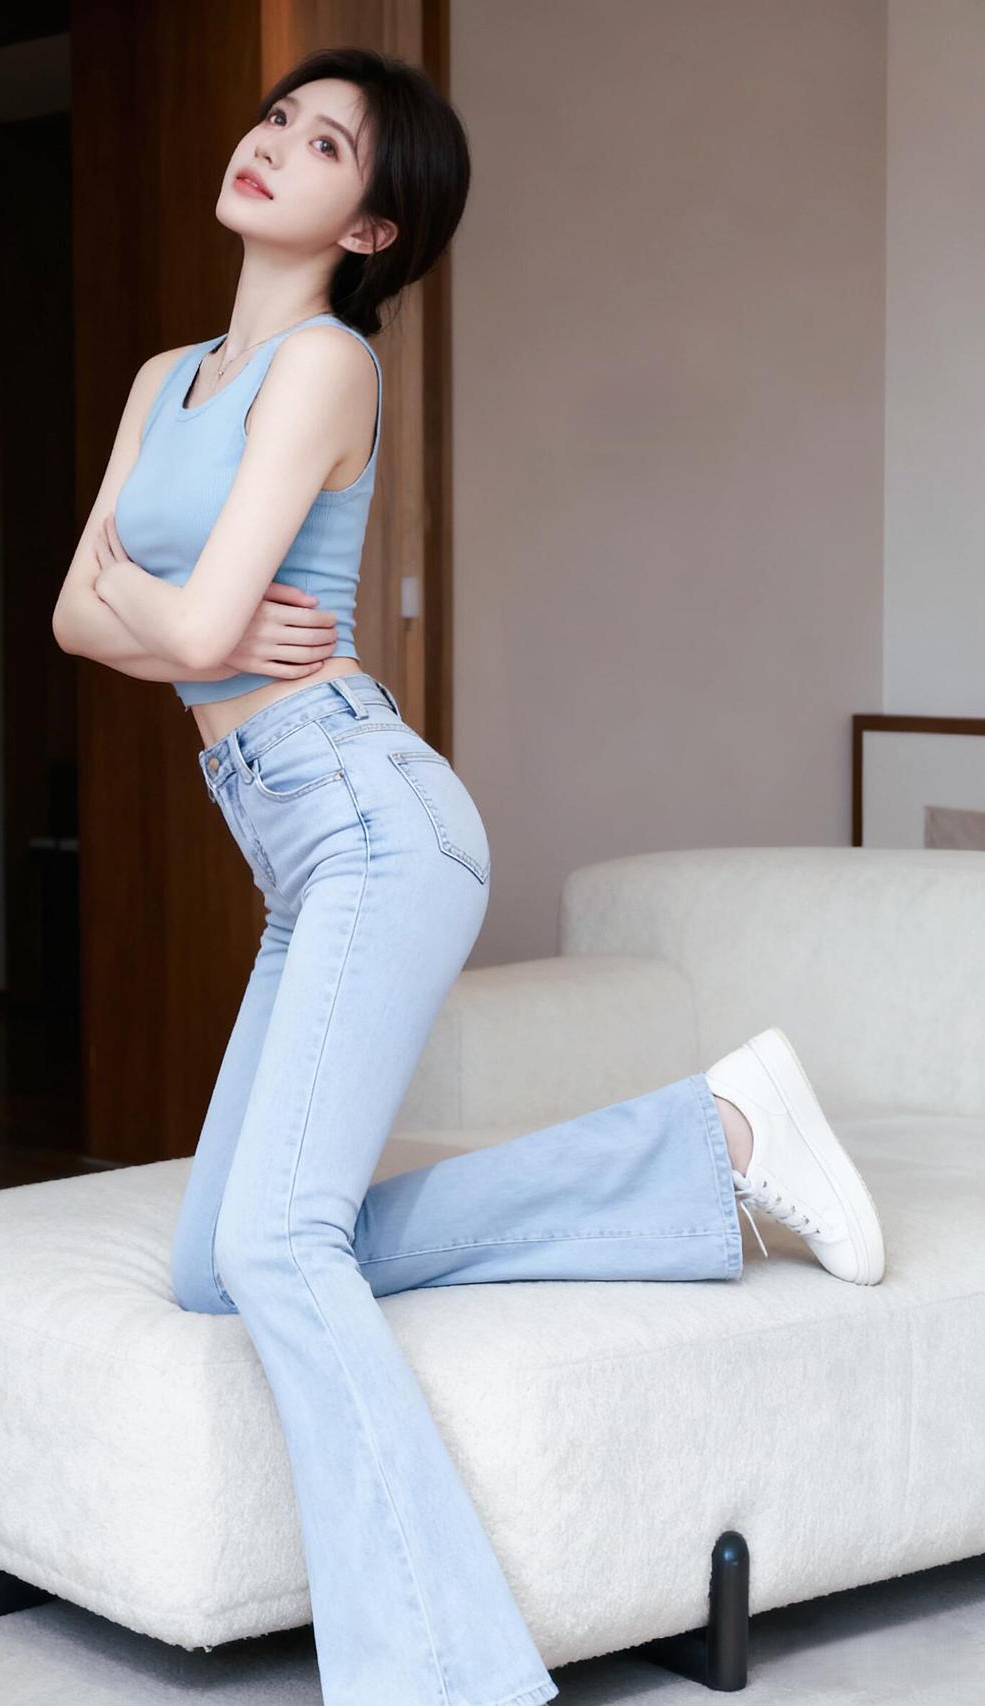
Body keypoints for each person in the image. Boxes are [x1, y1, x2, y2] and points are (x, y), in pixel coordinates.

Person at [51, 45, 886, 1706]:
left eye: (326, 144)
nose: (273, 144)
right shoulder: (166, 379)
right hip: (291, 840)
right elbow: (82, 615)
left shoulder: (327, 366)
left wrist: (159, 614)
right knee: (226, 1258)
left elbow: (156, 617)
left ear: (371, 228)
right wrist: (172, 619)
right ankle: (711, 1140)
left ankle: (443, 1678)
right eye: (278, 119)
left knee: (283, 1248)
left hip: (373, 820)